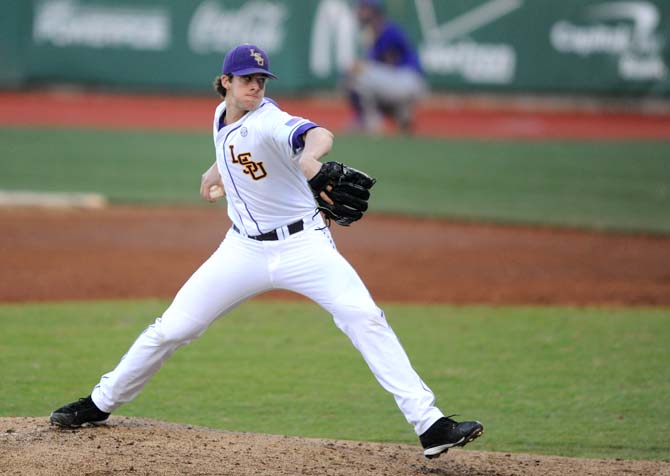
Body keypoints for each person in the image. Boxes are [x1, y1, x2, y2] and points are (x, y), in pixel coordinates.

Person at [49, 43, 482, 459]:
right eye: (246, 78)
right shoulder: (222, 115)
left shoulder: (269, 118)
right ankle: (100, 402)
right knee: (173, 328)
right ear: (225, 82)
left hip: (304, 246)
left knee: (364, 317)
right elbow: (234, 142)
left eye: (261, 78)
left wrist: (310, 161)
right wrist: (214, 169)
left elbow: (317, 134)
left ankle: (430, 425)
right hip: (242, 251)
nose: (256, 86)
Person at [346, 0, 427, 134]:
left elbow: (390, 64)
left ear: (373, 11)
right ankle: (402, 116)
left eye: (363, 9)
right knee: (365, 78)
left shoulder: (387, 31)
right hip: (402, 83)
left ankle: (371, 123)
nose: (360, 12)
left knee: (357, 74)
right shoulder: (374, 31)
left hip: (407, 81)